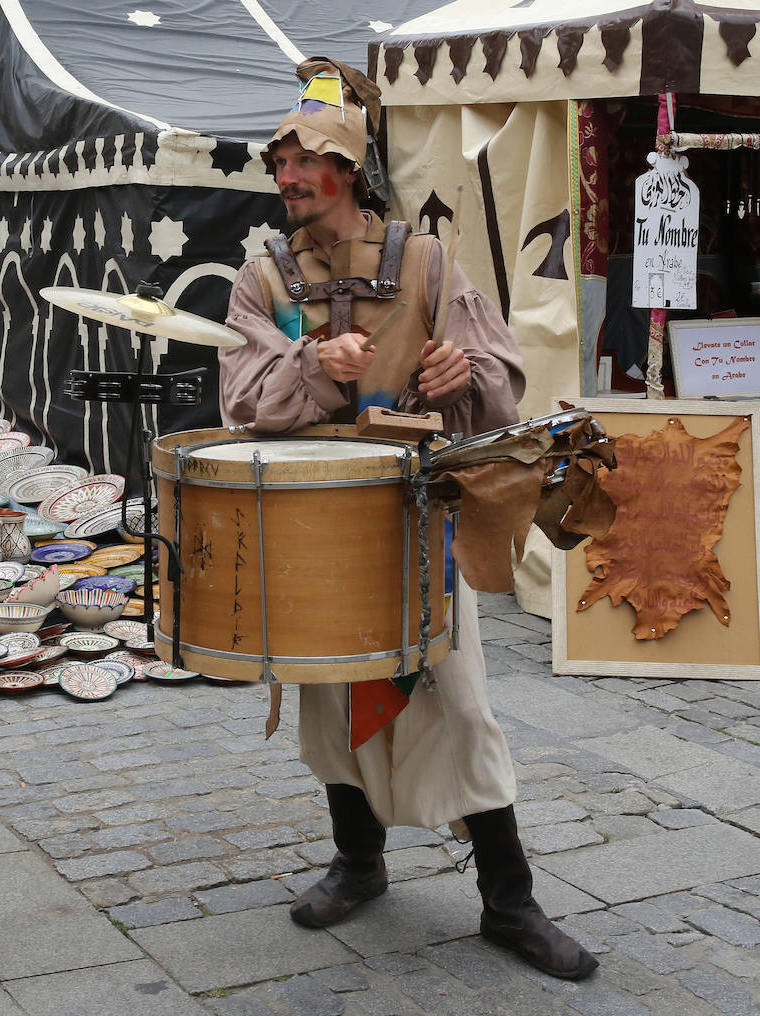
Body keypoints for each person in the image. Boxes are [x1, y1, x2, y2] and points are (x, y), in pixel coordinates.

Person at [218, 59, 598, 981]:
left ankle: (510, 904)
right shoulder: (260, 279)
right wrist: (315, 369)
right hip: (315, 528)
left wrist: (462, 377)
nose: (288, 181)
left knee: (461, 708)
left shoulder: (426, 261)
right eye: (280, 166)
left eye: (305, 165)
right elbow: (238, 400)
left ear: (348, 171)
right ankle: (359, 862)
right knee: (333, 707)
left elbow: (503, 386)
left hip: (418, 523)